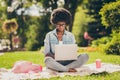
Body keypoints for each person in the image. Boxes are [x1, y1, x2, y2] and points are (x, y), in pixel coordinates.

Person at [44, 8, 89, 72]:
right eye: (58, 25)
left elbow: (74, 51)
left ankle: (61, 68)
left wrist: (71, 55)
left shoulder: (71, 36)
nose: (61, 27)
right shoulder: (49, 35)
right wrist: (56, 56)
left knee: (85, 56)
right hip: (56, 61)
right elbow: (46, 54)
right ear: (55, 23)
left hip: (69, 62)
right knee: (47, 60)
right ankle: (66, 69)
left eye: (63, 25)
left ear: (66, 24)